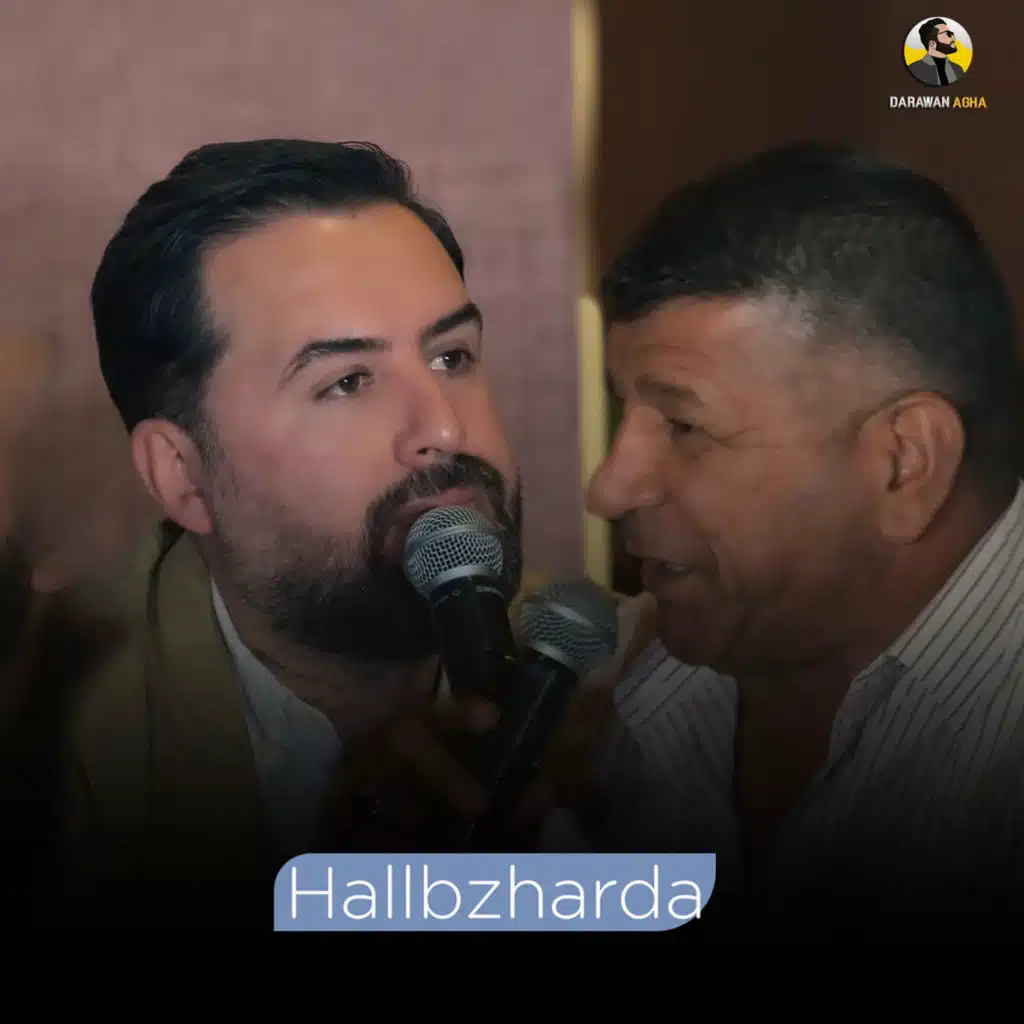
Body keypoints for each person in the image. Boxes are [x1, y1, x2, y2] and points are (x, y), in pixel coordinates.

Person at [57, 139, 645, 944]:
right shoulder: (47, 738)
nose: (444, 427)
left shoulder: (654, 687)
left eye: (452, 356)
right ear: (184, 476)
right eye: (346, 382)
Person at [582, 141, 1024, 964]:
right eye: (625, 416)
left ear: (904, 464)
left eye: (685, 426)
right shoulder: (608, 696)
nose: (609, 488)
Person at [907, 18, 966, 87]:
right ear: (932, 44)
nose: (954, 38)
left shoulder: (958, 69)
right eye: (948, 34)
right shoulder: (914, 70)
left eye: (952, 33)